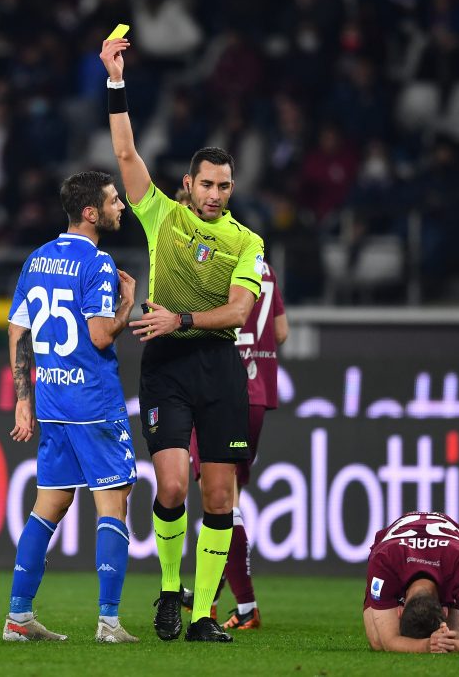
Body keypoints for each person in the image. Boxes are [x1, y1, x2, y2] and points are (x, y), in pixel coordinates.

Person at [100, 36, 266, 643]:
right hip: (166, 364)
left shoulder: (248, 242)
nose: (217, 195)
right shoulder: (161, 215)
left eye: (225, 187)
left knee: (219, 497)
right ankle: (171, 591)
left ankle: (201, 616)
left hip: (217, 365)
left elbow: (241, 312)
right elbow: (123, 151)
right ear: (189, 183)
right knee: (171, 485)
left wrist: (182, 319)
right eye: (208, 185)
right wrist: (115, 80)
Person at [3, 171, 139, 643]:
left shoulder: (37, 259)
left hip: (54, 402)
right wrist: (128, 306)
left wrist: (24, 398)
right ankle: (108, 622)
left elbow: (18, 331)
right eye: (113, 200)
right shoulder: (99, 263)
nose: (120, 206)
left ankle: (18, 618)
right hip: (95, 403)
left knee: (50, 505)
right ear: (90, 212)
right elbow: (101, 334)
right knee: (113, 504)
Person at [182, 259, 288, 630]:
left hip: (222, 389)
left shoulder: (217, 260)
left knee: (219, 500)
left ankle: (239, 604)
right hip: (258, 394)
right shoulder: (266, 268)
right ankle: (215, 597)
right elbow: (282, 331)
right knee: (228, 497)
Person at [363, 511, 459, 653]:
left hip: (454, 549)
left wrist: (450, 645)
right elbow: (388, 642)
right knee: (378, 642)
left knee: (455, 635)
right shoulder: (383, 561)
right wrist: (428, 645)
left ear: (400, 611)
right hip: (397, 547)